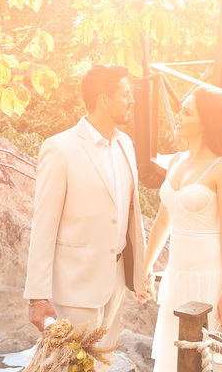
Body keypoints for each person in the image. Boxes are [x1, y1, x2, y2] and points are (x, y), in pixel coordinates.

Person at [24, 64, 148, 369]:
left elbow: (131, 213)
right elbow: (44, 224)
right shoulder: (60, 149)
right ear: (104, 100)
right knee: (70, 368)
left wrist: (140, 272)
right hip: (74, 286)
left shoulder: (126, 144)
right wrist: (38, 296)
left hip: (116, 282)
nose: (131, 101)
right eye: (125, 94)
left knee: (103, 365)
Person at [144, 88, 222, 370]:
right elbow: (162, 221)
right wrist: (144, 268)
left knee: (218, 362)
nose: (178, 117)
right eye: (180, 109)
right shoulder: (175, 162)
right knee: (178, 358)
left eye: (187, 112)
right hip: (178, 277)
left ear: (207, 123)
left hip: (213, 279)